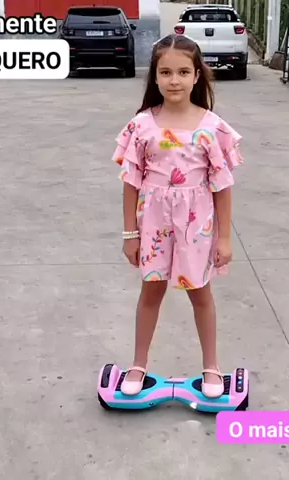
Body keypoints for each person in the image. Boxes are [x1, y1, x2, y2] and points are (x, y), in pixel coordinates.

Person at [111, 34, 244, 398]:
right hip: (153, 225)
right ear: (154, 76)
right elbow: (131, 182)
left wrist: (224, 238)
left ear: (197, 76)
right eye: (166, 72)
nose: (174, 80)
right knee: (151, 291)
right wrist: (130, 235)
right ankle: (138, 364)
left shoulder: (212, 127)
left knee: (200, 293)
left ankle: (211, 367)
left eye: (183, 72)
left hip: (196, 225)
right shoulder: (141, 125)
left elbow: (222, 185)